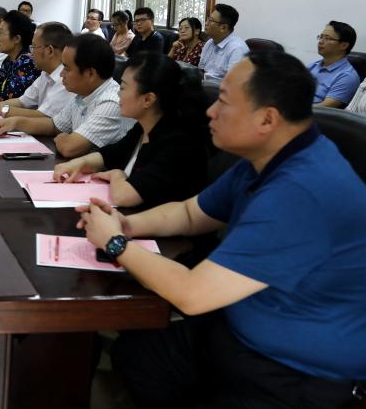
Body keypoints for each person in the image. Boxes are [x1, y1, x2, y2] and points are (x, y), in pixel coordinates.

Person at [78, 52, 366, 408]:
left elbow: (193, 293)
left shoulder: (302, 191)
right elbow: (189, 214)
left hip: (293, 372)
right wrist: (126, 223)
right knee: (137, 355)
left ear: (267, 118)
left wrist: (115, 242)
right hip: (236, 329)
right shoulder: (266, 158)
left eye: (224, 102)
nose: (211, 111)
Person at [53, 52, 207, 207]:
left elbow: (125, 196)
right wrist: (79, 163)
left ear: (148, 99)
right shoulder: (142, 127)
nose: (118, 93)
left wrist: (117, 175)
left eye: (123, 88)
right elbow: (110, 155)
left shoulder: (179, 143)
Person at [0, 35, 132, 158]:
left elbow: (69, 148)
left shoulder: (110, 102)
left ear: (90, 74)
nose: (61, 74)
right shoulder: (82, 94)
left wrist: (64, 138)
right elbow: (54, 125)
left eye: (67, 68)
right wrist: (17, 122)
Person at [0, 21, 74, 121]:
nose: (30, 53)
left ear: (50, 51)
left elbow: (44, 116)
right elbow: (22, 101)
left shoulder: (65, 79)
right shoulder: (45, 73)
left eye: (33, 47)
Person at [308, 21, 359, 108]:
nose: (320, 41)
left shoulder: (347, 76)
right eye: (321, 37)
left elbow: (324, 109)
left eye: (327, 38)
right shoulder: (313, 65)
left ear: (343, 45)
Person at [199, 3, 249, 82]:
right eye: (207, 19)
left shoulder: (237, 49)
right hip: (204, 85)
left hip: (220, 88)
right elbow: (201, 69)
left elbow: (233, 83)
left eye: (210, 20)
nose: (206, 23)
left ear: (223, 27)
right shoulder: (209, 43)